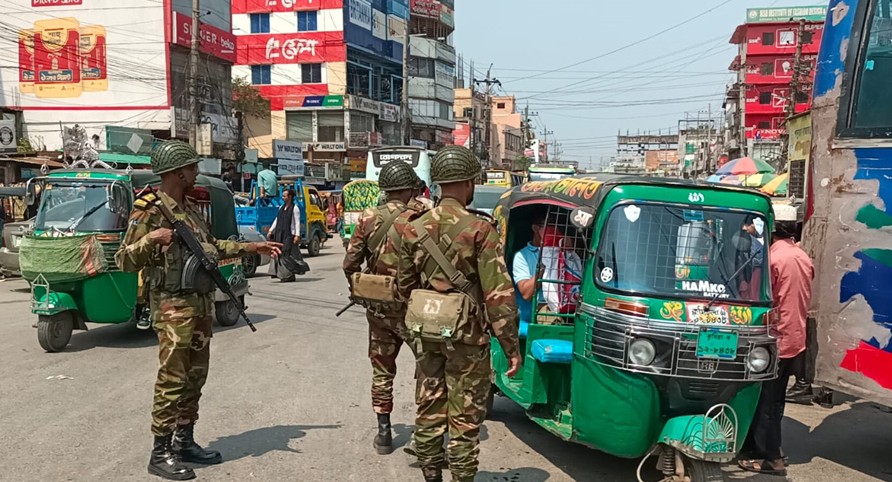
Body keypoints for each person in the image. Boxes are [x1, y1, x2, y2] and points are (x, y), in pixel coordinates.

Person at [115, 140, 282, 481]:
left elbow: (212, 247)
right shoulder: (149, 210)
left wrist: (253, 246)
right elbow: (123, 260)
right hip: (172, 308)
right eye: (192, 168)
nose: (196, 173)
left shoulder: (189, 208)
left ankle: (184, 441)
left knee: (195, 377)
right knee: (172, 379)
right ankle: (160, 453)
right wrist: (152, 239)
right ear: (177, 173)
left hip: (200, 305)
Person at [397, 146, 521, 482]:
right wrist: (510, 346)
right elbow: (498, 295)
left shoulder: (414, 228)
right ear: (469, 183)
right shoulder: (480, 229)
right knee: (464, 418)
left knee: (429, 406)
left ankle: (431, 476)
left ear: (437, 183)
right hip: (467, 336)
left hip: (426, 332)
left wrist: (419, 322)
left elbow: (403, 287)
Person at [342, 161, 426, 455]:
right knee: (427, 368)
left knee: (381, 370)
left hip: (379, 310)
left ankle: (384, 433)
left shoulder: (367, 218)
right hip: (415, 310)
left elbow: (349, 264)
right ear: (409, 189)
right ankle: (423, 434)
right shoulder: (420, 218)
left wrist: (364, 290)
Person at [739, 203, 814, 477]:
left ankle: (771, 457)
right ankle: (767, 447)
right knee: (777, 400)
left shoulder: (771, 259)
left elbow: (755, 296)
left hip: (775, 338)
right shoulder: (802, 256)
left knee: (765, 401)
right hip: (795, 338)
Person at [512, 212, 546, 332]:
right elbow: (526, 294)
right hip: (541, 307)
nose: (553, 231)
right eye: (547, 226)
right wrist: (544, 267)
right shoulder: (522, 256)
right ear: (535, 228)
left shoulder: (564, 252)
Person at [268, 189, 305, 282]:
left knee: (287, 255)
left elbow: (297, 223)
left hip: (289, 235)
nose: (282, 197)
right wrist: (271, 230)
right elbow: (277, 220)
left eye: (284, 196)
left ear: (290, 197)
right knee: (279, 253)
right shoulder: (281, 207)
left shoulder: (295, 208)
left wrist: (297, 235)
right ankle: (282, 274)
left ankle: (288, 275)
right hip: (279, 234)